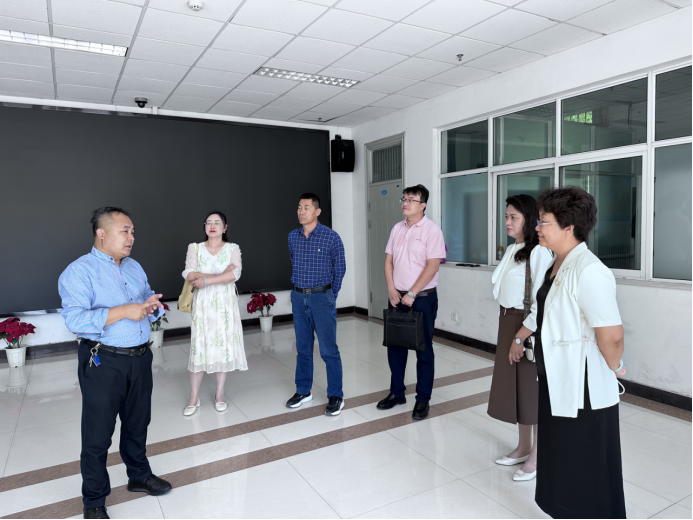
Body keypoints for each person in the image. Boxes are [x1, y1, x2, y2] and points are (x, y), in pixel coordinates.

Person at [58, 207, 172, 520]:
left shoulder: (134, 266)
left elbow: (146, 296)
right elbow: (75, 320)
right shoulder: (78, 271)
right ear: (102, 233)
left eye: (133, 232)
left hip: (140, 358)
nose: (131, 237)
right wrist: (124, 311)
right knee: (97, 435)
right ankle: (94, 501)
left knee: (138, 423)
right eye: (125, 231)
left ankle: (139, 476)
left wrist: (152, 306)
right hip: (103, 360)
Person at [533, 186, 627, 519]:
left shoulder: (589, 270)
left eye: (543, 222)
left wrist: (615, 367)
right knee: (561, 454)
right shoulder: (557, 263)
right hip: (557, 376)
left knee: (584, 459)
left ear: (568, 226)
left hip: (582, 384)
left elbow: (611, 335)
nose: (537, 227)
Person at [487, 194, 553, 482]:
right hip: (508, 322)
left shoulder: (539, 252)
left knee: (530, 391)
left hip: (525, 327)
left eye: (514, 217)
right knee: (517, 389)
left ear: (529, 219)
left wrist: (519, 337)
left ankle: (538, 455)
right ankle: (524, 446)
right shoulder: (514, 249)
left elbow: (542, 301)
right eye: (506, 216)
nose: (508, 222)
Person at [377, 184, 446, 421]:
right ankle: (397, 393)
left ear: (423, 205)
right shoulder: (397, 228)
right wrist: (391, 288)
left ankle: (422, 399)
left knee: (423, 349)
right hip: (396, 297)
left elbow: (433, 266)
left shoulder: (432, 230)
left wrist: (412, 293)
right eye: (404, 199)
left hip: (422, 299)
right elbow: (388, 261)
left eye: (411, 200)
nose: (405, 203)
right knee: (395, 347)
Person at [285, 193, 346, 416]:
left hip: (322, 297)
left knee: (328, 349)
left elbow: (340, 268)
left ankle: (336, 395)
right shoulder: (293, 236)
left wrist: (330, 295)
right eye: (299, 207)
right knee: (302, 347)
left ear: (317, 211)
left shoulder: (331, 237)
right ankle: (303, 390)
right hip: (299, 297)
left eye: (306, 208)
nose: (301, 212)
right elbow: (293, 261)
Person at [182, 211, 247, 416]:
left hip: (224, 305)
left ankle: (219, 394)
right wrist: (220, 275)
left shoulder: (232, 248)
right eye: (208, 222)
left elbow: (235, 274)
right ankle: (194, 397)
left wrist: (206, 280)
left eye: (217, 222)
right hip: (203, 305)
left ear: (225, 227)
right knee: (199, 347)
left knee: (222, 347)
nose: (212, 226)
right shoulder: (195, 248)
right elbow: (189, 274)